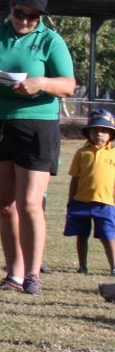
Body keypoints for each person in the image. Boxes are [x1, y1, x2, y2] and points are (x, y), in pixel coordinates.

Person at [0, 0, 76, 296]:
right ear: (11, 8)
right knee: (5, 206)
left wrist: (40, 83)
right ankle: (14, 274)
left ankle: (34, 275)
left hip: (37, 127)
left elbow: (68, 85)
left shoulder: (50, 40)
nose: (25, 19)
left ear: (40, 16)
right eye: (19, 12)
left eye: (32, 15)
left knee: (29, 203)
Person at [64, 108, 115, 276]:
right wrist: (71, 201)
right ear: (88, 133)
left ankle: (113, 266)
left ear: (111, 134)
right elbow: (75, 179)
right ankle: (82, 266)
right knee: (81, 235)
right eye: (95, 130)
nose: (99, 134)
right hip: (81, 202)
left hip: (106, 203)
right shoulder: (82, 153)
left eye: (104, 130)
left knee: (108, 236)